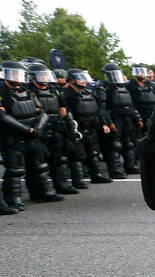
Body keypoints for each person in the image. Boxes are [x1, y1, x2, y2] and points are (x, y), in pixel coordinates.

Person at [1, 60, 65, 211]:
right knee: (15, 170)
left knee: (39, 166)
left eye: (19, 74)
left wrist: (37, 128)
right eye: (13, 74)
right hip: (13, 137)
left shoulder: (28, 91)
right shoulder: (2, 93)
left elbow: (42, 112)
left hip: (33, 135)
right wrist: (27, 130)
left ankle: (43, 192)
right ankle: (13, 199)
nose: (16, 78)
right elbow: (3, 117)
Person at [27, 62, 79, 195]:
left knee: (59, 159)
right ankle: (39, 191)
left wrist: (68, 125)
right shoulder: (29, 91)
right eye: (41, 75)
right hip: (39, 130)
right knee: (38, 163)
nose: (44, 77)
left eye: (46, 75)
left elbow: (62, 109)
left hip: (56, 128)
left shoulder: (54, 90)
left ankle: (61, 185)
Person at [64, 69, 114, 186]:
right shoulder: (67, 95)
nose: (83, 81)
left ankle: (97, 175)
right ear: (72, 80)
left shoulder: (89, 93)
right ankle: (78, 180)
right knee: (77, 155)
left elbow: (98, 110)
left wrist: (103, 123)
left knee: (93, 153)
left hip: (91, 127)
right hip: (77, 129)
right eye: (80, 78)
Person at [96, 62, 143, 177]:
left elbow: (131, 105)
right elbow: (102, 107)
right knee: (114, 145)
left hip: (127, 119)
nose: (115, 76)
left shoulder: (124, 87)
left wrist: (137, 118)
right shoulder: (103, 88)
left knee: (129, 143)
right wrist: (108, 122)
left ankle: (130, 166)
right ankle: (116, 170)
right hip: (115, 118)